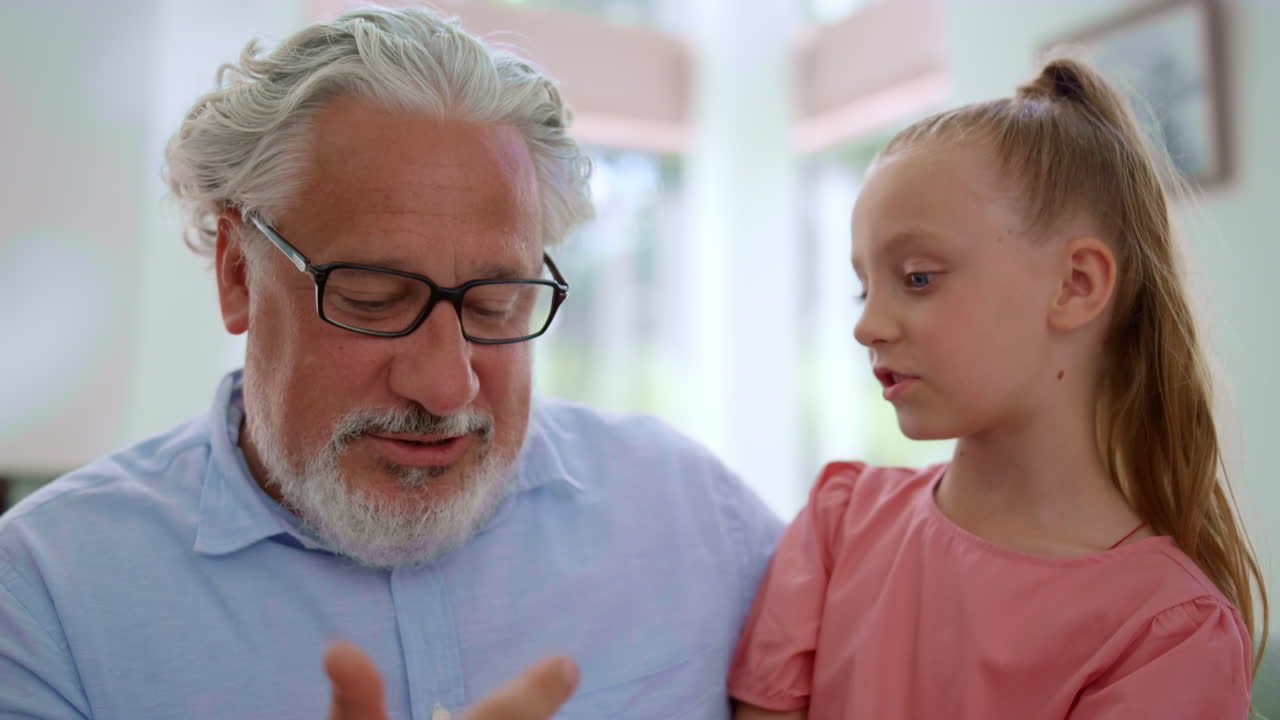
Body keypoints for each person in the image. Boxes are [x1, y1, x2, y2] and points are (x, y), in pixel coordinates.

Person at [0, 8, 783, 719]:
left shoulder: (694, 518)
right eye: (372, 298)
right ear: (238, 272)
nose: (446, 385)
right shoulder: (47, 595)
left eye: (495, 304)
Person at [727, 58, 1270, 719]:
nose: (866, 324)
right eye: (863, 286)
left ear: (1074, 285)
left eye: (919, 277)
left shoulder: (1167, 634)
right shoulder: (837, 525)